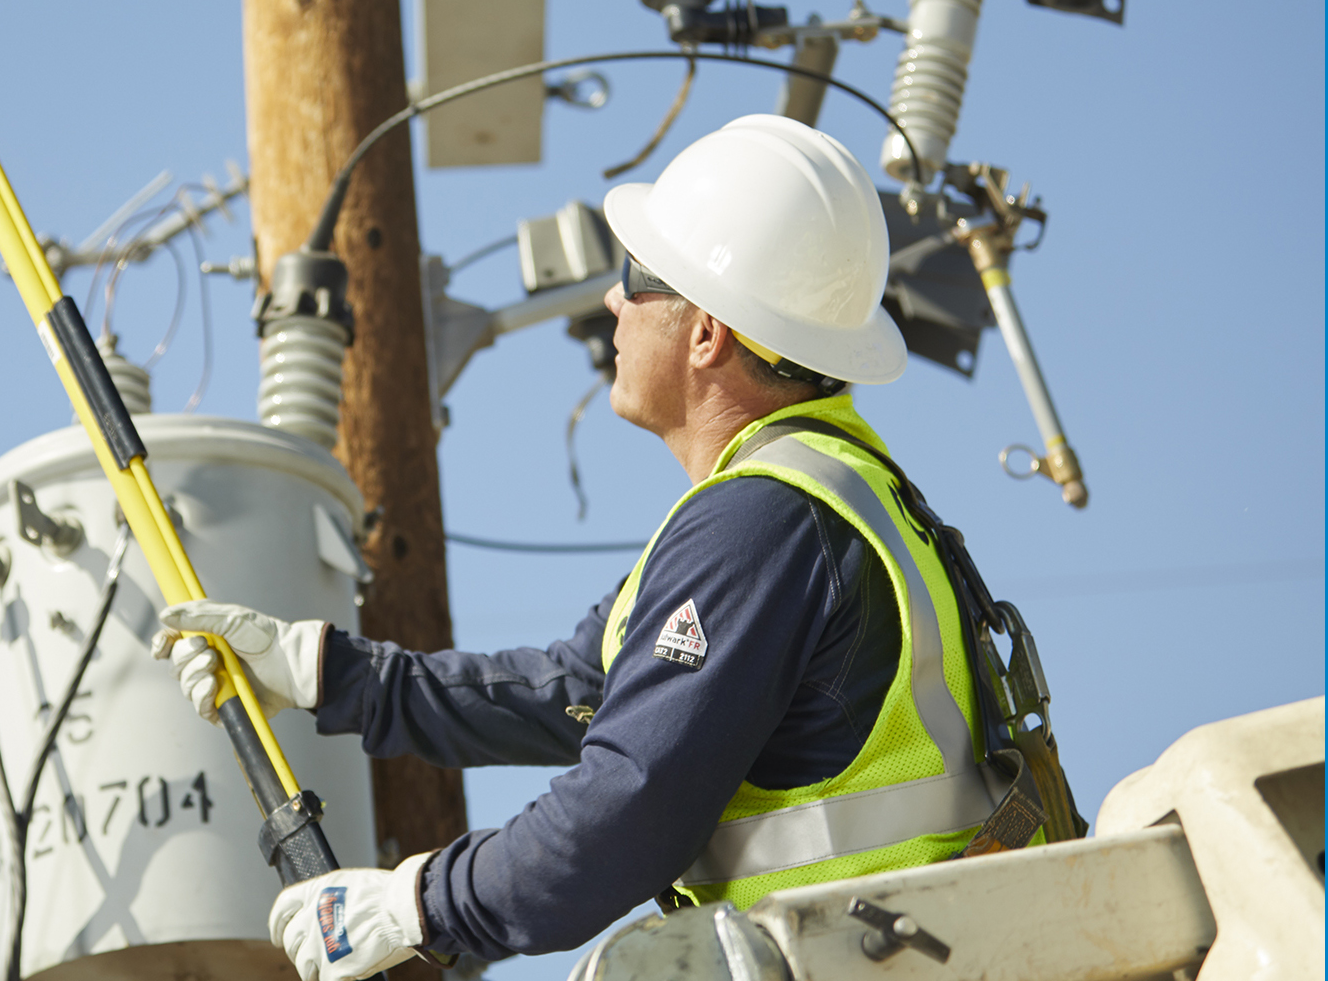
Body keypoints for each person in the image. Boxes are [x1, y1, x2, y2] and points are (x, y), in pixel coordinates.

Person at [159, 116, 1008, 981]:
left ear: (708, 332)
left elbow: (626, 813)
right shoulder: (815, 496)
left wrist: (414, 904)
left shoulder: (765, 524)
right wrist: (324, 673)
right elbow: (574, 691)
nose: (611, 300)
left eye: (636, 278)